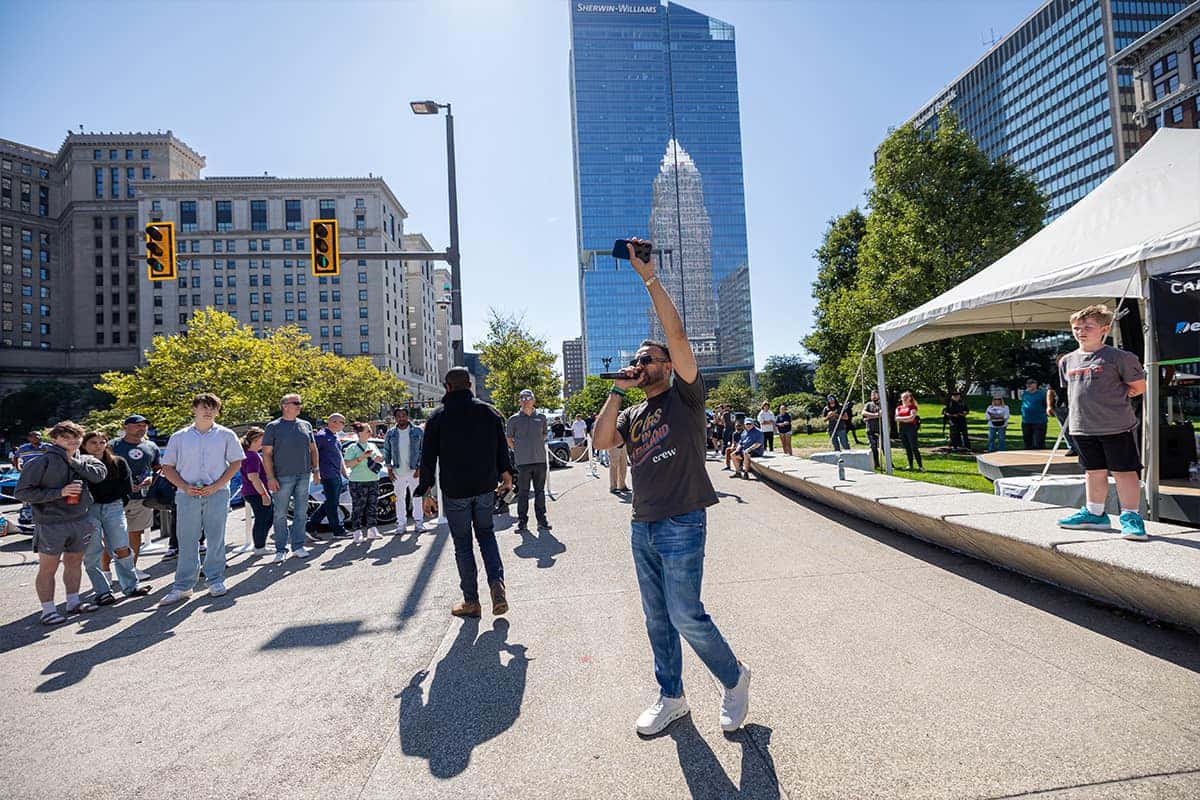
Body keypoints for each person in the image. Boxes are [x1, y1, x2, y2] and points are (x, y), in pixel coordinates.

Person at [592, 239, 750, 737]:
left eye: (649, 357)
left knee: (685, 615)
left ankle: (734, 678)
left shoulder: (686, 397)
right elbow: (601, 440)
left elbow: (677, 335)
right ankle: (672, 696)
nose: (641, 362)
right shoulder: (634, 412)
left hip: (682, 519)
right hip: (642, 525)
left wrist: (649, 278)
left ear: (667, 364)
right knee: (656, 618)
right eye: (637, 358)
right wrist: (617, 389)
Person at [416, 367, 514, 619]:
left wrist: (426, 491)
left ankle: (471, 601)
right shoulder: (490, 412)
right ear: (469, 385)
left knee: (463, 545)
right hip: (484, 487)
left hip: (455, 490)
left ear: (446, 387)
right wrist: (507, 476)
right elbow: (502, 449)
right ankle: (497, 584)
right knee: (486, 536)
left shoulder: (437, 417)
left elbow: (427, 459)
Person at [1055, 305, 1149, 540]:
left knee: (1124, 472)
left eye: (1088, 327)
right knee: (1093, 471)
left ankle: (1131, 516)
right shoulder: (1067, 361)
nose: (1081, 332)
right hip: (1082, 427)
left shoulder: (1120, 358)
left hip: (1116, 426)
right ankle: (1095, 513)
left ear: (1104, 329)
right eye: (1076, 328)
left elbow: (1139, 387)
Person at [15, 421, 109, 623]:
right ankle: (48, 611)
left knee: (74, 563)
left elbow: (99, 476)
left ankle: (73, 603)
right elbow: (22, 492)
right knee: (48, 568)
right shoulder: (41, 462)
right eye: (66, 437)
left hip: (80, 520)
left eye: (76, 437)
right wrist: (60, 492)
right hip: (51, 523)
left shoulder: (86, 459)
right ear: (54, 439)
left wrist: (74, 462)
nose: (72, 441)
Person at [158, 393, 244, 604]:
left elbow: (236, 462)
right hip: (186, 493)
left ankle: (215, 580)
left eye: (213, 407)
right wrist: (184, 487)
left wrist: (216, 485)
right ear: (194, 409)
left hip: (217, 492)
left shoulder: (226, 434)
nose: (208, 411)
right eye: (204, 407)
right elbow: (167, 466)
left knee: (216, 538)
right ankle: (183, 586)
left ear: (218, 411)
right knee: (187, 540)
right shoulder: (179, 436)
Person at [80, 431, 152, 604]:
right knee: (93, 551)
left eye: (102, 442)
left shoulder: (117, 462)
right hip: (88, 509)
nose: (98, 446)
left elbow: (126, 487)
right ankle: (102, 591)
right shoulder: (79, 464)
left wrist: (119, 503)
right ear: (84, 445)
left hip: (114, 507)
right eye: (93, 442)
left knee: (122, 547)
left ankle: (131, 586)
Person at [262, 393, 320, 563]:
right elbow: (266, 454)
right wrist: (270, 477)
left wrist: (316, 470)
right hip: (282, 476)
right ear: (284, 406)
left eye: (300, 403)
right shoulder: (273, 427)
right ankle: (281, 549)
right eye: (296, 403)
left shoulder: (306, 425)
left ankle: (298, 546)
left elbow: (313, 449)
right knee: (280, 514)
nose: (299, 405)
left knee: (301, 512)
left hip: (304, 474)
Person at [109, 414, 159, 580]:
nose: (141, 428)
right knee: (110, 536)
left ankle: (132, 569)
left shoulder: (151, 446)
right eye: (137, 425)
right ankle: (106, 572)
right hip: (116, 498)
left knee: (135, 534)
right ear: (125, 427)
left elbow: (157, 468)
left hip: (141, 497)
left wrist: (151, 478)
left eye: (144, 425)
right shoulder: (113, 445)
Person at [507, 389, 551, 531]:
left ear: (533, 400)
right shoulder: (513, 419)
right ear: (519, 401)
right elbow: (509, 439)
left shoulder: (541, 418)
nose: (525, 400)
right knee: (523, 493)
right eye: (522, 398)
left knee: (540, 492)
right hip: (523, 463)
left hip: (540, 461)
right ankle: (522, 522)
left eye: (528, 398)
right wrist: (520, 450)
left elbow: (544, 435)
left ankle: (542, 521)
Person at [383, 407, 428, 531]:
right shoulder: (391, 433)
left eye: (403, 415)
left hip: (414, 470)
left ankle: (419, 523)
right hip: (398, 471)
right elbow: (387, 452)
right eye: (398, 416)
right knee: (399, 498)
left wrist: (419, 468)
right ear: (395, 418)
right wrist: (389, 470)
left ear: (407, 417)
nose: (401, 418)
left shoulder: (417, 431)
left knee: (417, 497)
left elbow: (423, 450)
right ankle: (401, 524)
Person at [307, 414, 350, 540]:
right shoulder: (321, 436)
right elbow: (312, 453)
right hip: (327, 474)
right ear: (334, 422)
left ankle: (310, 526)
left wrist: (344, 473)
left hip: (336, 474)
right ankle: (338, 530)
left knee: (331, 502)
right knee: (332, 503)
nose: (343, 425)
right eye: (342, 422)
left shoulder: (334, 436)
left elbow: (339, 456)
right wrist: (316, 471)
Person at [345, 422, 385, 542]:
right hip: (357, 481)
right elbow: (347, 464)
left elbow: (379, 458)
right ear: (360, 433)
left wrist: (379, 459)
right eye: (368, 431)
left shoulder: (372, 445)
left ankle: (372, 529)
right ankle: (357, 531)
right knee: (358, 507)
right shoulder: (352, 448)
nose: (370, 432)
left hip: (373, 479)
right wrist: (361, 457)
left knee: (372, 506)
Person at [239, 428, 274, 554]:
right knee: (263, 520)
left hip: (252, 492)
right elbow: (253, 476)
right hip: (255, 492)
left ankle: (259, 545)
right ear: (255, 440)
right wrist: (264, 494)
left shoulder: (248, 454)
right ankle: (259, 547)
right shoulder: (252, 456)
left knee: (264, 519)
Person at [14, 429, 49, 528]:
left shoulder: (47, 447)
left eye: (39, 436)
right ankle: (27, 515)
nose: (37, 438)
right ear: (29, 438)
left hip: (45, 475)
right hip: (28, 475)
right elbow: (15, 457)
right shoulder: (23, 448)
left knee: (44, 494)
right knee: (27, 494)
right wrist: (18, 468)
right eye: (35, 436)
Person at [895, 391, 924, 471]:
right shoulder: (899, 408)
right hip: (902, 429)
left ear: (910, 398)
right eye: (903, 397)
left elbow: (912, 418)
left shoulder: (913, 407)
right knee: (907, 448)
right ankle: (910, 465)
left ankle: (920, 466)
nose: (904, 399)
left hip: (911, 428)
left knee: (914, 447)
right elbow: (896, 418)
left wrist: (902, 419)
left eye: (906, 397)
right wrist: (906, 418)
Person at [1047, 382, 1077, 456]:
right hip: (1061, 405)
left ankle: (1078, 447)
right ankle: (1072, 447)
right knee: (1065, 428)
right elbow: (1050, 391)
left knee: (1078, 427)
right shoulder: (1055, 377)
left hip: (1075, 405)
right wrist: (1049, 406)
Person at [1020, 379, 1048, 449]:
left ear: (1035, 384)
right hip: (1026, 420)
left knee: (1039, 441)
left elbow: (1046, 404)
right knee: (1027, 440)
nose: (1029, 385)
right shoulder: (1024, 394)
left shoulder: (1042, 394)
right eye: (1028, 383)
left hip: (1039, 420)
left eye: (1031, 383)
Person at [861, 390, 883, 470]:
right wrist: (875, 415)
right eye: (872, 395)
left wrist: (869, 417)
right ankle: (876, 463)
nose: (873, 396)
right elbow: (863, 413)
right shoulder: (868, 404)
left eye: (875, 395)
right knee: (873, 447)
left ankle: (890, 463)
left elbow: (881, 414)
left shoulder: (882, 404)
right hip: (870, 428)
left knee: (883, 446)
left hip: (880, 428)